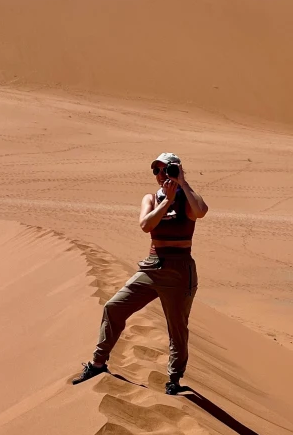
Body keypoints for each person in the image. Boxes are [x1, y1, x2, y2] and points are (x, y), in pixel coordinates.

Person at [73, 152, 208, 394]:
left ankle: (174, 380)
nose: (160, 175)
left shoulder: (188, 198)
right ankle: (97, 363)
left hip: (179, 271)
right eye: (156, 171)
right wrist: (165, 201)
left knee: (176, 328)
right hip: (152, 266)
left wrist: (183, 183)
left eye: (166, 170)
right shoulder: (151, 198)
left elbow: (200, 212)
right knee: (114, 307)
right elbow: (146, 225)